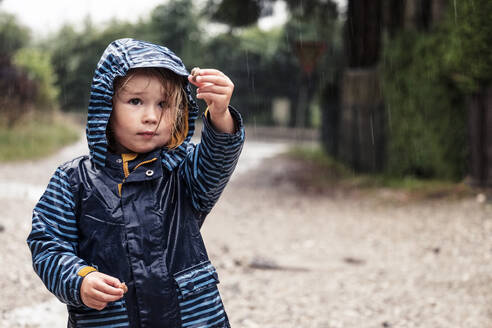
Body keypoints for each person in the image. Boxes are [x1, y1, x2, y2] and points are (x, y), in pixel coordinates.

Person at [26, 38, 244, 327]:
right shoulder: (73, 180)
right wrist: (81, 279)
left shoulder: (182, 171)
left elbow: (218, 159)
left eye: (164, 104)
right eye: (136, 101)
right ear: (107, 105)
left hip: (192, 318)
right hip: (111, 319)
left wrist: (220, 114)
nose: (151, 116)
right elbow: (48, 245)